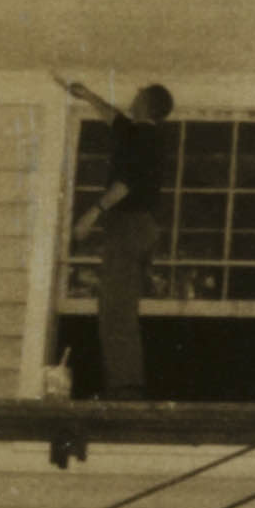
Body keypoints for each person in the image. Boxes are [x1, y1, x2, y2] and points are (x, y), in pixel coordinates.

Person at [60, 79, 177, 401]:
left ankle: (125, 388)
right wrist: (86, 94)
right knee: (115, 305)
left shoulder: (145, 138)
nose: (132, 96)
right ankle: (124, 383)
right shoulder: (138, 132)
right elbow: (112, 116)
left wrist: (91, 213)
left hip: (130, 225)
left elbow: (126, 184)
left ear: (147, 103)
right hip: (136, 226)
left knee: (116, 307)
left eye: (138, 94)